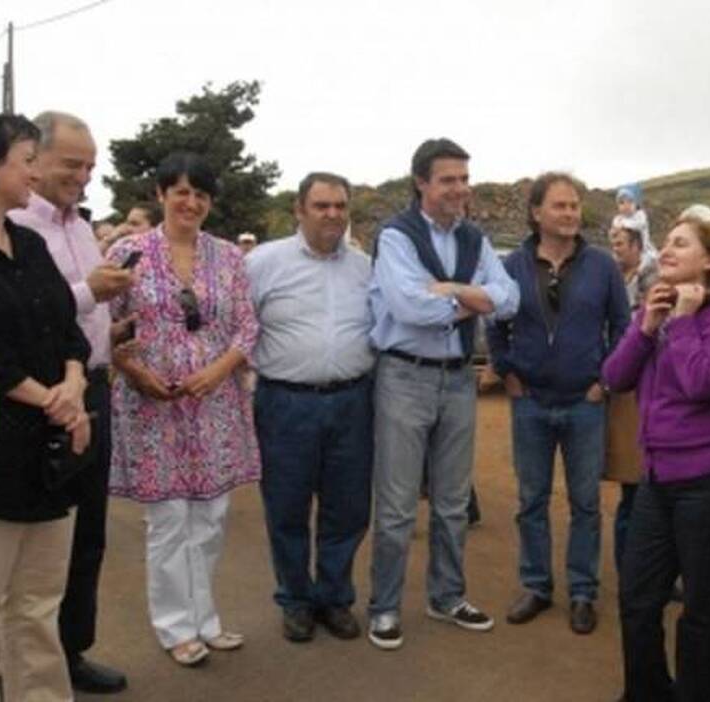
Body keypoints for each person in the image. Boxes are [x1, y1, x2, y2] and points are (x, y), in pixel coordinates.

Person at [0, 104, 92, 702]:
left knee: (37, 607)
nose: (34, 172)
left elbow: (69, 333)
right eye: (25, 159)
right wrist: (56, 401)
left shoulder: (29, 244)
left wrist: (75, 386)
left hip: (52, 452)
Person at [107, 152, 260, 667]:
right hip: (153, 407)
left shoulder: (228, 258)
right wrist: (134, 371)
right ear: (160, 195)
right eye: (181, 191)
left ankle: (206, 619)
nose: (191, 202)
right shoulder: (129, 253)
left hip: (216, 406)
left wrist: (219, 371)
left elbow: (247, 327)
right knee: (169, 519)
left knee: (212, 516)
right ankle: (175, 627)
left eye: (201, 194)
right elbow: (107, 327)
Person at [366, 138, 519, 651]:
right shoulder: (395, 236)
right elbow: (410, 309)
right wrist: (475, 299)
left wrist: (450, 292)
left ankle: (447, 595)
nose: (460, 189)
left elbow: (510, 298)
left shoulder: (475, 237)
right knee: (396, 504)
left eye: (464, 179)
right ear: (422, 183)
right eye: (449, 179)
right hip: (404, 375)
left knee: (453, 501)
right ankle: (384, 606)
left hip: (457, 377)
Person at [602, 217, 710, 701]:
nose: (666, 249)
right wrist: (647, 327)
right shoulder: (657, 310)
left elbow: (702, 381)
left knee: (703, 609)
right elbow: (614, 376)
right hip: (658, 478)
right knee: (638, 599)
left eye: (681, 243)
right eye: (665, 241)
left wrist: (686, 321)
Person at [7, 110, 132, 694]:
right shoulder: (10, 224)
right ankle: (19, 666)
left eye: (90, 166)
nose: (82, 177)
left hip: (97, 390)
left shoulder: (81, 226)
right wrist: (90, 292)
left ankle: (71, 651)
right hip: (39, 401)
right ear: (33, 159)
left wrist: (115, 330)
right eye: (71, 164)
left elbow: (83, 317)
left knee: (88, 536)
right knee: (29, 547)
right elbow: (26, 313)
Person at [486, 172, 630, 634]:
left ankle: (583, 591)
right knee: (531, 500)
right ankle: (536, 586)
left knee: (586, 503)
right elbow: (494, 323)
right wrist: (508, 372)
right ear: (536, 213)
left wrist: (603, 382)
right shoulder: (511, 267)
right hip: (529, 402)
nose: (570, 213)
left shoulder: (603, 266)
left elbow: (622, 329)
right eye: (560, 206)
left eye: (574, 205)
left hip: (585, 402)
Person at [245, 172, 375, 643]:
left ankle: (335, 598)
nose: (332, 215)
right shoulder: (263, 263)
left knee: (348, 507)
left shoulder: (364, 266)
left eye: (340, 206)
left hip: (352, 402)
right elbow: (241, 328)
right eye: (321, 206)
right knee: (287, 506)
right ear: (299, 210)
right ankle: (296, 600)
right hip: (286, 404)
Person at [604, 224, 658, 576]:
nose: (616, 250)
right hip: (627, 397)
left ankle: (652, 573)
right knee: (633, 491)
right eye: (613, 244)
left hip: (656, 396)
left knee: (654, 497)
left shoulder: (653, 279)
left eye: (621, 244)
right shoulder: (612, 280)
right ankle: (631, 572)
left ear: (638, 246)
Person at [612, 184, 654, 263]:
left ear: (636, 203)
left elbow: (638, 225)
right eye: (622, 203)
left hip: (643, 250)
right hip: (625, 250)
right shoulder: (618, 219)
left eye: (630, 202)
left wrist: (623, 225)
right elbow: (615, 231)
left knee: (646, 263)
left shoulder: (640, 215)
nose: (626, 206)